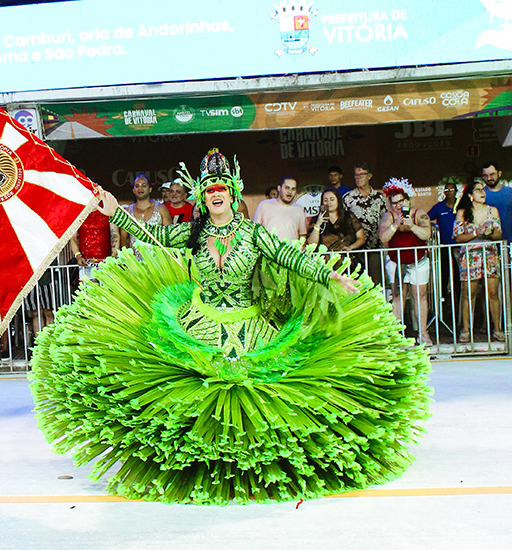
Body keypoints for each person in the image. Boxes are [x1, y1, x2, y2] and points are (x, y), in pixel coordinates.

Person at [30, 150, 430, 505]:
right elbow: (154, 234)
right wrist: (114, 212)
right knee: (196, 399)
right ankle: (198, 468)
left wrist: (327, 275)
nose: (215, 194)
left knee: (254, 399)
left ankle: (257, 470)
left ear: (233, 192)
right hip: (197, 323)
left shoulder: (252, 233)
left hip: (251, 327)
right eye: (209, 190)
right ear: (203, 196)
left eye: (221, 187)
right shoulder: (194, 232)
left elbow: (290, 256)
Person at [379, 178, 433, 347]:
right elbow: (383, 237)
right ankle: (397, 335)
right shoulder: (388, 216)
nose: (397, 205)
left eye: (400, 201)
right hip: (396, 261)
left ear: (407, 200)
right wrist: (395, 225)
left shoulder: (418, 213)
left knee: (420, 296)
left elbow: (427, 234)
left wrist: (413, 226)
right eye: (394, 203)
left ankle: (423, 333)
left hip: (418, 260)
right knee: (398, 296)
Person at [454, 181, 504, 342]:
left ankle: (497, 329)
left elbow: (499, 235)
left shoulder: (492, 211)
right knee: (469, 293)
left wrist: (490, 232)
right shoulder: (462, 213)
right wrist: (476, 232)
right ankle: (466, 330)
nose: (482, 193)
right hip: (470, 256)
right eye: (478, 190)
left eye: (483, 190)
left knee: (493, 293)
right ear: (470, 195)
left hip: (490, 255)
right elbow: (458, 237)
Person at [343, 162, 388, 286]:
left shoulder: (379, 198)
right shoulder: (348, 198)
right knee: (356, 283)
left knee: (376, 283)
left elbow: (385, 220)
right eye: (356, 175)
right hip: (355, 249)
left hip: (375, 248)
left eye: (362, 174)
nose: (358, 178)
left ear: (369, 176)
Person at [428, 177, 462, 330]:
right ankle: (443, 310)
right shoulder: (439, 207)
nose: (449, 192)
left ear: (456, 191)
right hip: (444, 247)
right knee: (443, 277)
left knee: (459, 279)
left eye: (451, 189)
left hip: (460, 247)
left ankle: (459, 310)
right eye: (446, 189)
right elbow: (426, 218)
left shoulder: (461, 206)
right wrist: (433, 226)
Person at [121, 173, 170, 256]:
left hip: (158, 259)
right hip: (135, 260)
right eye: (137, 186)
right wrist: (129, 258)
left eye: (144, 185)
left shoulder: (161, 209)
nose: (140, 188)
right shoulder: (128, 211)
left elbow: (169, 236)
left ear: (150, 189)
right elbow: (123, 239)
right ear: (134, 190)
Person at [306, 187, 366, 252]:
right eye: (325, 200)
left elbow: (361, 238)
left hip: (347, 255)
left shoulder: (348, 216)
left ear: (338, 200)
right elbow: (311, 244)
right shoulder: (316, 219)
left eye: (332, 199)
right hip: (326, 256)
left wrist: (350, 247)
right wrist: (318, 224)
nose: (329, 202)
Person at [252, 175, 307, 241]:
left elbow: (302, 236)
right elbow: (254, 229)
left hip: (290, 247)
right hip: (268, 247)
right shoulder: (264, 205)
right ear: (279, 188)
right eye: (287, 188)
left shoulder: (299, 209)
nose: (290, 192)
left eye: (293, 189)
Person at [481, 162, 511, 242]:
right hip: (488, 244)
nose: (489, 178)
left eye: (492, 174)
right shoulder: (479, 196)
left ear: (499, 173)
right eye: (485, 175)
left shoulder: (510, 193)